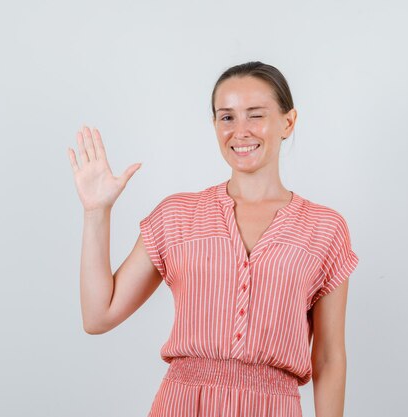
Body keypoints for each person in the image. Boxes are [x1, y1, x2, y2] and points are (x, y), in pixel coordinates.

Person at [67, 61, 359, 417]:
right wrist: (97, 212)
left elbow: (329, 358)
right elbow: (99, 316)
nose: (240, 131)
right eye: (227, 117)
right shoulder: (177, 215)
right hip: (183, 404)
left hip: (274, 407)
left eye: (255, 115)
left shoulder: (324, 229)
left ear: (288, 122)